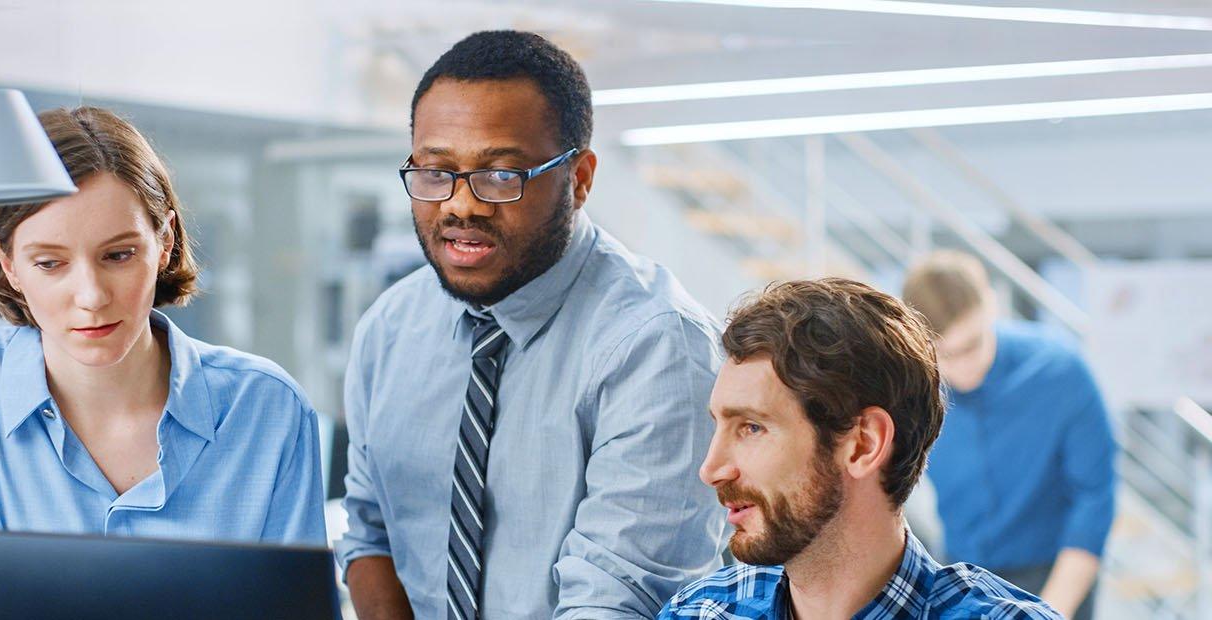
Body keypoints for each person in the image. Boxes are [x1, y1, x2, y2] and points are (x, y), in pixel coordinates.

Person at [337, 30, 725, 619]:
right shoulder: (390, 327)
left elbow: (621, 598)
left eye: (500, 175)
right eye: (436, 171)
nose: (460, 205)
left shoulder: (657, 345)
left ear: (581, 178)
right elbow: (370, 534)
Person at [0, 107, 326, 545]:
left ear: (165, 243)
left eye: (118, 255)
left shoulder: (266, 406)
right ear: (9, 264)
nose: (91, 296)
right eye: (50, 263)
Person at [661, 279, 1059, 620]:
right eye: (719, 426)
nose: (711, 469)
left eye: (751, 427)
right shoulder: (700, 611)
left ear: (863, 444)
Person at [902, 250, 1116, 620]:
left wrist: (1049, 612)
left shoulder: (1061, 372)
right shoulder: (915, 387)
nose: (961, 367)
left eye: (971, 346)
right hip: (962, 576)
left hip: (1055, 574)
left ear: (991, 307)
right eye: (943, 356)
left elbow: (1094, 498)